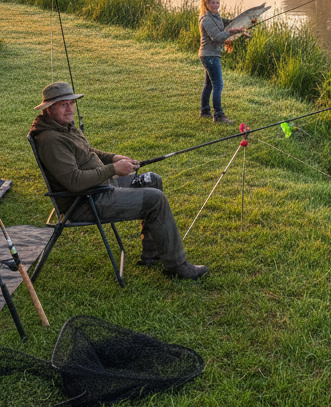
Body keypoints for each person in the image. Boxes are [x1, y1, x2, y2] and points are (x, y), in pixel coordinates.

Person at [29, 81, 209, 280]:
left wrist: (114, 158)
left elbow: (87, 153)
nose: (70, 109)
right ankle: (178, 265)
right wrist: (114, 169)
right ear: (49, 108)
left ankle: (152, 254)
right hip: (86, 201)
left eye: (72, 103)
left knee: (152, 180)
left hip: (99, 188)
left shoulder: (64, 127)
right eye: (64, 105)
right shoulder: (51, 140)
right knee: (155, 199)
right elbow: (74, 182)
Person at [198, 0, 242, 124]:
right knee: (218, 85)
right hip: (209, 56)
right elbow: (217, 37)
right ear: (206, 4)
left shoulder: (215, 16)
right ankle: (218, 116)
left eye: (217, 3)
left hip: (210, 55)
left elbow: (226, 24)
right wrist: (230, 32)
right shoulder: (206, 19)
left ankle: (205, 111)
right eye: (213, 3)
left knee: (209, 84)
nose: (216, 5)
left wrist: (239, 27)